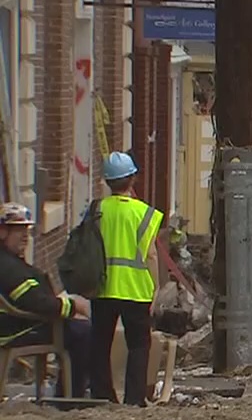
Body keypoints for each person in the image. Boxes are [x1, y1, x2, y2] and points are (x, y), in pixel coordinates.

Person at [90, 152, 164, 406]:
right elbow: (151, 254)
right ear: (132, 178)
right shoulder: (144, 213)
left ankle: (101, 395)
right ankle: (134, 399)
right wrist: (155, 288)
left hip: (102, 288)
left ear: (108, 182)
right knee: (138, 345)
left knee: (100, 343)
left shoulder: (96, 210)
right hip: (135, 289)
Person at [0, 203, 93, 397]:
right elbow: (36, 303)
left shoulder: (10, 260)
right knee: (83, 332)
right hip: (18, 329)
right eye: (19, 230)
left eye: (27, 230)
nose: (25, 236)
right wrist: (73, 305)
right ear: (2, 232)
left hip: (18, 324)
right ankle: (71, 395)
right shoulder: (8, 267)